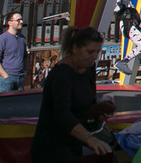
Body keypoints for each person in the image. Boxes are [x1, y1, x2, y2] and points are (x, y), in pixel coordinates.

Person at [30, 26, 114, 161]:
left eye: (97, 52)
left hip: (74, 144)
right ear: (75, 49)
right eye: (90, 52)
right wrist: (89, 138)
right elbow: (62, 114)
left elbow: (86, 105)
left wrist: (100, 111)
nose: (94, 57)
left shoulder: (89, 69)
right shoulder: (61, 75)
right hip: (52, 147)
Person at [0, 11, 28, 92]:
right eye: (18, 20)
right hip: (7, 80)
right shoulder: (3, 38)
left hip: (20, 78)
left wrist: (25, 70)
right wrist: (5, 76)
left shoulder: (22, 38)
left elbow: (25, 57)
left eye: (21, 20)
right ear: (10, 23)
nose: (21, 22)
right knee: (5, 104)